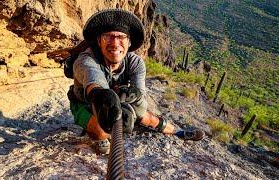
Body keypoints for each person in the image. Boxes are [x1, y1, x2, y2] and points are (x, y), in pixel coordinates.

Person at [67, 9, 204, 154]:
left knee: (148, 118)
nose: (115, 43)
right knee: (102, 132)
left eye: (121, 37)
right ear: (99, 41)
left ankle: (178, 132)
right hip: (86, 102)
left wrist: (133, 102)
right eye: (108, 36)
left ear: (129, 42)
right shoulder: (85, 60)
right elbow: (93, 80)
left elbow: (141, 100)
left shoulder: (135, 62)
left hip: (118, 99)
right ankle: (98, 135)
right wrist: (100, 96)